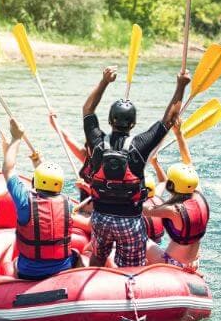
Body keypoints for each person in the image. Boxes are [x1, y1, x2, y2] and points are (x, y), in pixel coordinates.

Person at [80, 65, 190, 267]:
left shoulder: (97, 142)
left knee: (97, 256)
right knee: (132, 267)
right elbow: (169, 119)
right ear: (132, 124)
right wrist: (181, 86)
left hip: (101, 218)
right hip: (129, 221)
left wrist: (104, 81)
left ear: (110, 120)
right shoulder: (140, 145)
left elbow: (87, 110)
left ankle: (95, 270)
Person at [3, 119, 75, 280]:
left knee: (13, 263)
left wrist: (16, 138)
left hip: (29, 272)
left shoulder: (25, 201)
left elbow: (8, 169)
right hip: (63, 269)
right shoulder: (68, 203)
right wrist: (39, 167)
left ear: (35, 181)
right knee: (76, 255)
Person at [145, 121, 209, 268]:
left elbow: (143, 209)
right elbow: (189, 163)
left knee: (142, 239)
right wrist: (179, 134)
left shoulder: (172, 210)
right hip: (194, 262)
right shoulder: (198, 194)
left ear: (171, 185)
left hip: (172, 262)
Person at [142, 178, 165, 244]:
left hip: (145, 245)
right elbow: (163, 181)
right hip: (159, 243)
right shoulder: (157, 199)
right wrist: (157, 166)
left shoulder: (133, 207)